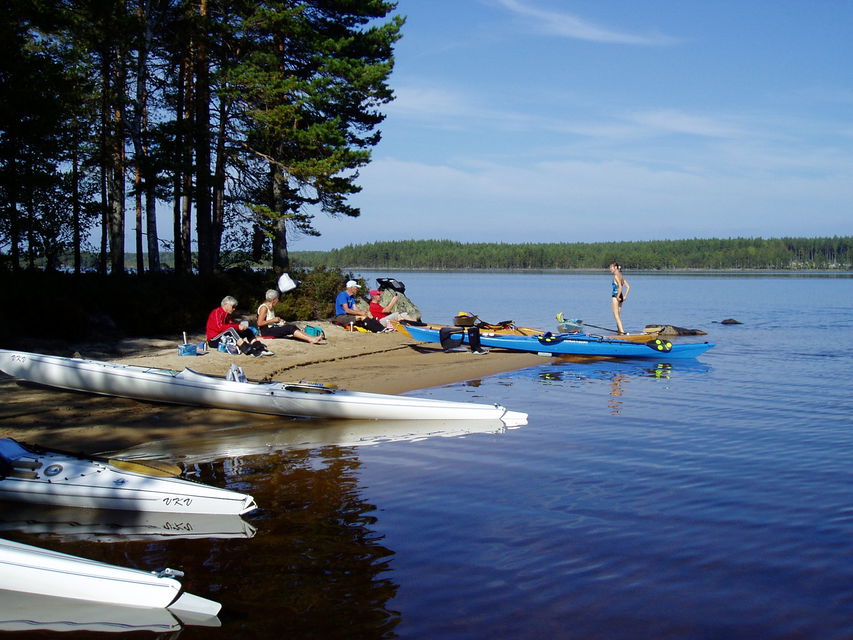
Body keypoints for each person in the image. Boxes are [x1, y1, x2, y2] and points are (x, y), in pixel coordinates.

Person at [206, 296, 273, 356]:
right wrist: (237, 327)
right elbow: (219, 328)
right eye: (233, 306)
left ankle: (258, 346)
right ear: (226, 305)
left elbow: (230, 324)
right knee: (231, 330)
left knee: (247, 330)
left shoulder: (227, 315)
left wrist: (240, 327)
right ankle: (247, 349)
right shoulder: (217, 312)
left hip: (224, 337)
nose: (234, 309)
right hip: (213, 340)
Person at [257, 289, 324, 344]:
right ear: (273, 299)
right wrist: (273, 320)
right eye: (277, 298)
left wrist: (278, 321)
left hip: (271, 329)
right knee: (290, 328)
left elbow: (269, 320)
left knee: (293, 326)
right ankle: (310, 339)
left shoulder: (270, 307)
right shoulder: (264, 308)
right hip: (266, 332)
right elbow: (259, 323)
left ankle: (311, 338)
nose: (278, 300)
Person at [609, 262, 630, 335]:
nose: (610, 269)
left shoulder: (615, 276)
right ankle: (619, 331)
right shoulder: (621, 276)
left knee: (616, 316)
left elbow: (620, 287)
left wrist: (617, 296)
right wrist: (624, 297)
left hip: (616, 296)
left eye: (611, 268)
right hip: (621, 296)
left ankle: (622, 333)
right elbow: (628, 287)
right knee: (618, 316)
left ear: (615, 268)